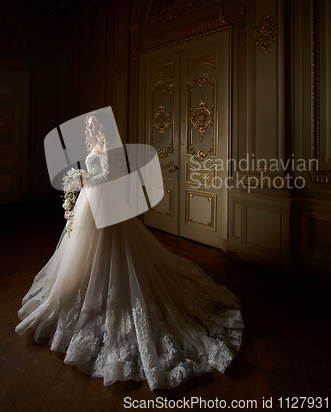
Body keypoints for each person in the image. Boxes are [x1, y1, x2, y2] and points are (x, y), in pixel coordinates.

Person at [16, 111, 244, 390]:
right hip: (91, 205)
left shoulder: (112, 147)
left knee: (113, 255)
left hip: (105, 207)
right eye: (88, 126)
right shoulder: (95, 147)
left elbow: (110, 176)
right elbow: (98, 173)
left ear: (101, 127)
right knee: (82, 256)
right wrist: (83, 179)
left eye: (93, 125)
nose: (90, 129)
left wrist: (84, 181)